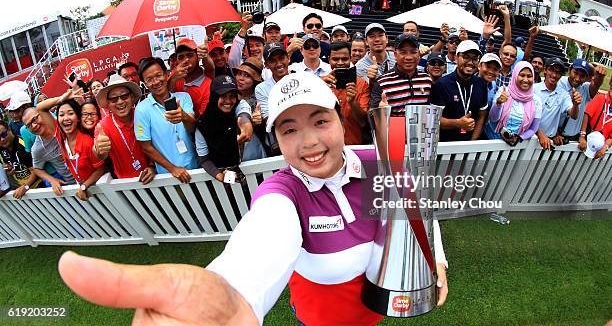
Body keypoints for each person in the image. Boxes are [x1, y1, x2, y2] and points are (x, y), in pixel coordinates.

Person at [57, 71, 449, 325]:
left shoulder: (380, 162)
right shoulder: (282, 194)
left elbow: (419, 211)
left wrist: (436, 258)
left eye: (320, 121)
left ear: (339, 119)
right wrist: (229, 293)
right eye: (289, 129)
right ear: (276, 138)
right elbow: (262, 240)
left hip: (375, 312)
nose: (309, 142)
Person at [134, 57, 198, 183]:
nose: (156, 82)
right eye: (149, 79)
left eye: (158, 75)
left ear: (166, 74)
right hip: (169, 177)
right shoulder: (141, 110)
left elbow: (193, 128)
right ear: (145, 84)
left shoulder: (183, 98)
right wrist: (173, 169)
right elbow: (146, 147)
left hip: (196, 168)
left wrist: (183, 116)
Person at [38, 90, 106, 201]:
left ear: (78, 118)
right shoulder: (61, 137)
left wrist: (84, 186)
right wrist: (61, 99)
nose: (65, 118)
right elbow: (40, 108)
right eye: (61, 115)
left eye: (70, 113)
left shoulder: (87, 142)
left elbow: (100, 170)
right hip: (83, 190)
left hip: (97, 189)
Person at [93, 75, 155, 183]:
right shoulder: (102, 126)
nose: (120, 101)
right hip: (126, 185)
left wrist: (152, 166)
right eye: (114, 99)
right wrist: (99, 150)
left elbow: (157, 143)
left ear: (131, 97)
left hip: (156, 177)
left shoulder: (143, 114)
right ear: (108, 103)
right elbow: (100, 154)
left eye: (124, 96)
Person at [430, 40, 489, 141]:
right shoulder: (442, 84)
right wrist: (458, 123)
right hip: (447, 145)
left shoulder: (481, 84)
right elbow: (433, 119)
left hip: (470, 145)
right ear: (456, 58)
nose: (470, 62)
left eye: (475, 59)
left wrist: (471, 144)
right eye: (465, 57)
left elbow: (481, 117)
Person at [196, 76, 252, 181]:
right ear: (214, 97)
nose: (228, 101)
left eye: (232, 96)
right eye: (223, 96)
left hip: (253, 171)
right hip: (224, 180)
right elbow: (204, 159)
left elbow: (244, 115)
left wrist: (246, 127)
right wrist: (220, 176)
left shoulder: (239, 106)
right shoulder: (203, 124)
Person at [369, 34, 432, 115]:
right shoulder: (382, 82)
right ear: (395, 55)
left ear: (419, 54)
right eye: (403, 52)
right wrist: (379, 112)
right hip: (393, 127)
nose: (408, 57)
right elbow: (370, 115)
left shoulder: (427, 80)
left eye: (413, 52)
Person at [321, 42, 369, 145]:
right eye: (335, 59)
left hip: (354, 146)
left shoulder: (361, 84)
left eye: (344, 59)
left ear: (350, 58)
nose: (340, 63)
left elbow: (363, 122)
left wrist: (352, 102)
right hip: (327, 146)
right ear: (329, 59)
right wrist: (319, 85)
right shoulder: (320, 84)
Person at [22, 106, 77, 195]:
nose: (34, 125)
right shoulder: (37, 148)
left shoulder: (62, 124)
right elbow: (36, 169)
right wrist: (52, 180)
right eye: (29, 125)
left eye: (35, 119)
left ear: (42, 114)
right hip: (74, 186)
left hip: (95, 175)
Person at [485, 62, 542, 145]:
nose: (526, 80)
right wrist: (499, 103)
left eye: (529, 76)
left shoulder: (536, 101)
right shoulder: (504, 91)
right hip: (492, 141)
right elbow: (493, 118)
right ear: (515, 75)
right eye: (522, 75)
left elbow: (533, 128)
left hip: (514, 145)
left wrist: (519, 138)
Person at [533, 58, 581, 150]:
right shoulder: (534, 89)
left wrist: (576, 104)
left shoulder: (563, 94)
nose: (554, 75)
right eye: (551, 70)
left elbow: (574, 115)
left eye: (558, 72)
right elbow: (528, 116)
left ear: (561, 75)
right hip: (531, 137)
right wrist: (539, 133)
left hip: (549, 141)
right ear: (545, 70)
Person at [558, 60, 607, 142]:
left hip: (573, 138)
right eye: (575, 73)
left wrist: (599, 76)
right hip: (554, 135)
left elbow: (596, 85)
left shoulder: (585, 88)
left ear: (586, 78)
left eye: (582, 76)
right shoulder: (559, 82)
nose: (577, 79)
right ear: (570, 70)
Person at [169, 38, 213, 118]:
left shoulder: (208, 85)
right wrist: (173, 79)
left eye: (190, 55)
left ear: (198, 57)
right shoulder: (175, 76)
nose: (186, 60)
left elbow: (201, 120)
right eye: (181, 57)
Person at [234, 57, 268, 160]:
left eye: (247, 76)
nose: (241, 78)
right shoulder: (229, 95)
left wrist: (261, 120)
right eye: (239, 73)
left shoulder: (261, 98)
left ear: (255, 80)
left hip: (258, 150)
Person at [0, 121, 41, 199]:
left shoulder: (23, 145)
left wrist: (25, 187)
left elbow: (37, 169)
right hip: (24, 191)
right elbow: (11, 168)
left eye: (3, 134)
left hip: (39, 186)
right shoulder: (2, 150)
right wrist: (10, 169)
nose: (2, 140)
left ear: (9, 129)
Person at [578, 84, 611, 158]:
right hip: (586, 142)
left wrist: (604, 148)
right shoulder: (600, 98)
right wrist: (582, 136)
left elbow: (611, 137)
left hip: (599, 150)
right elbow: (587, 114)